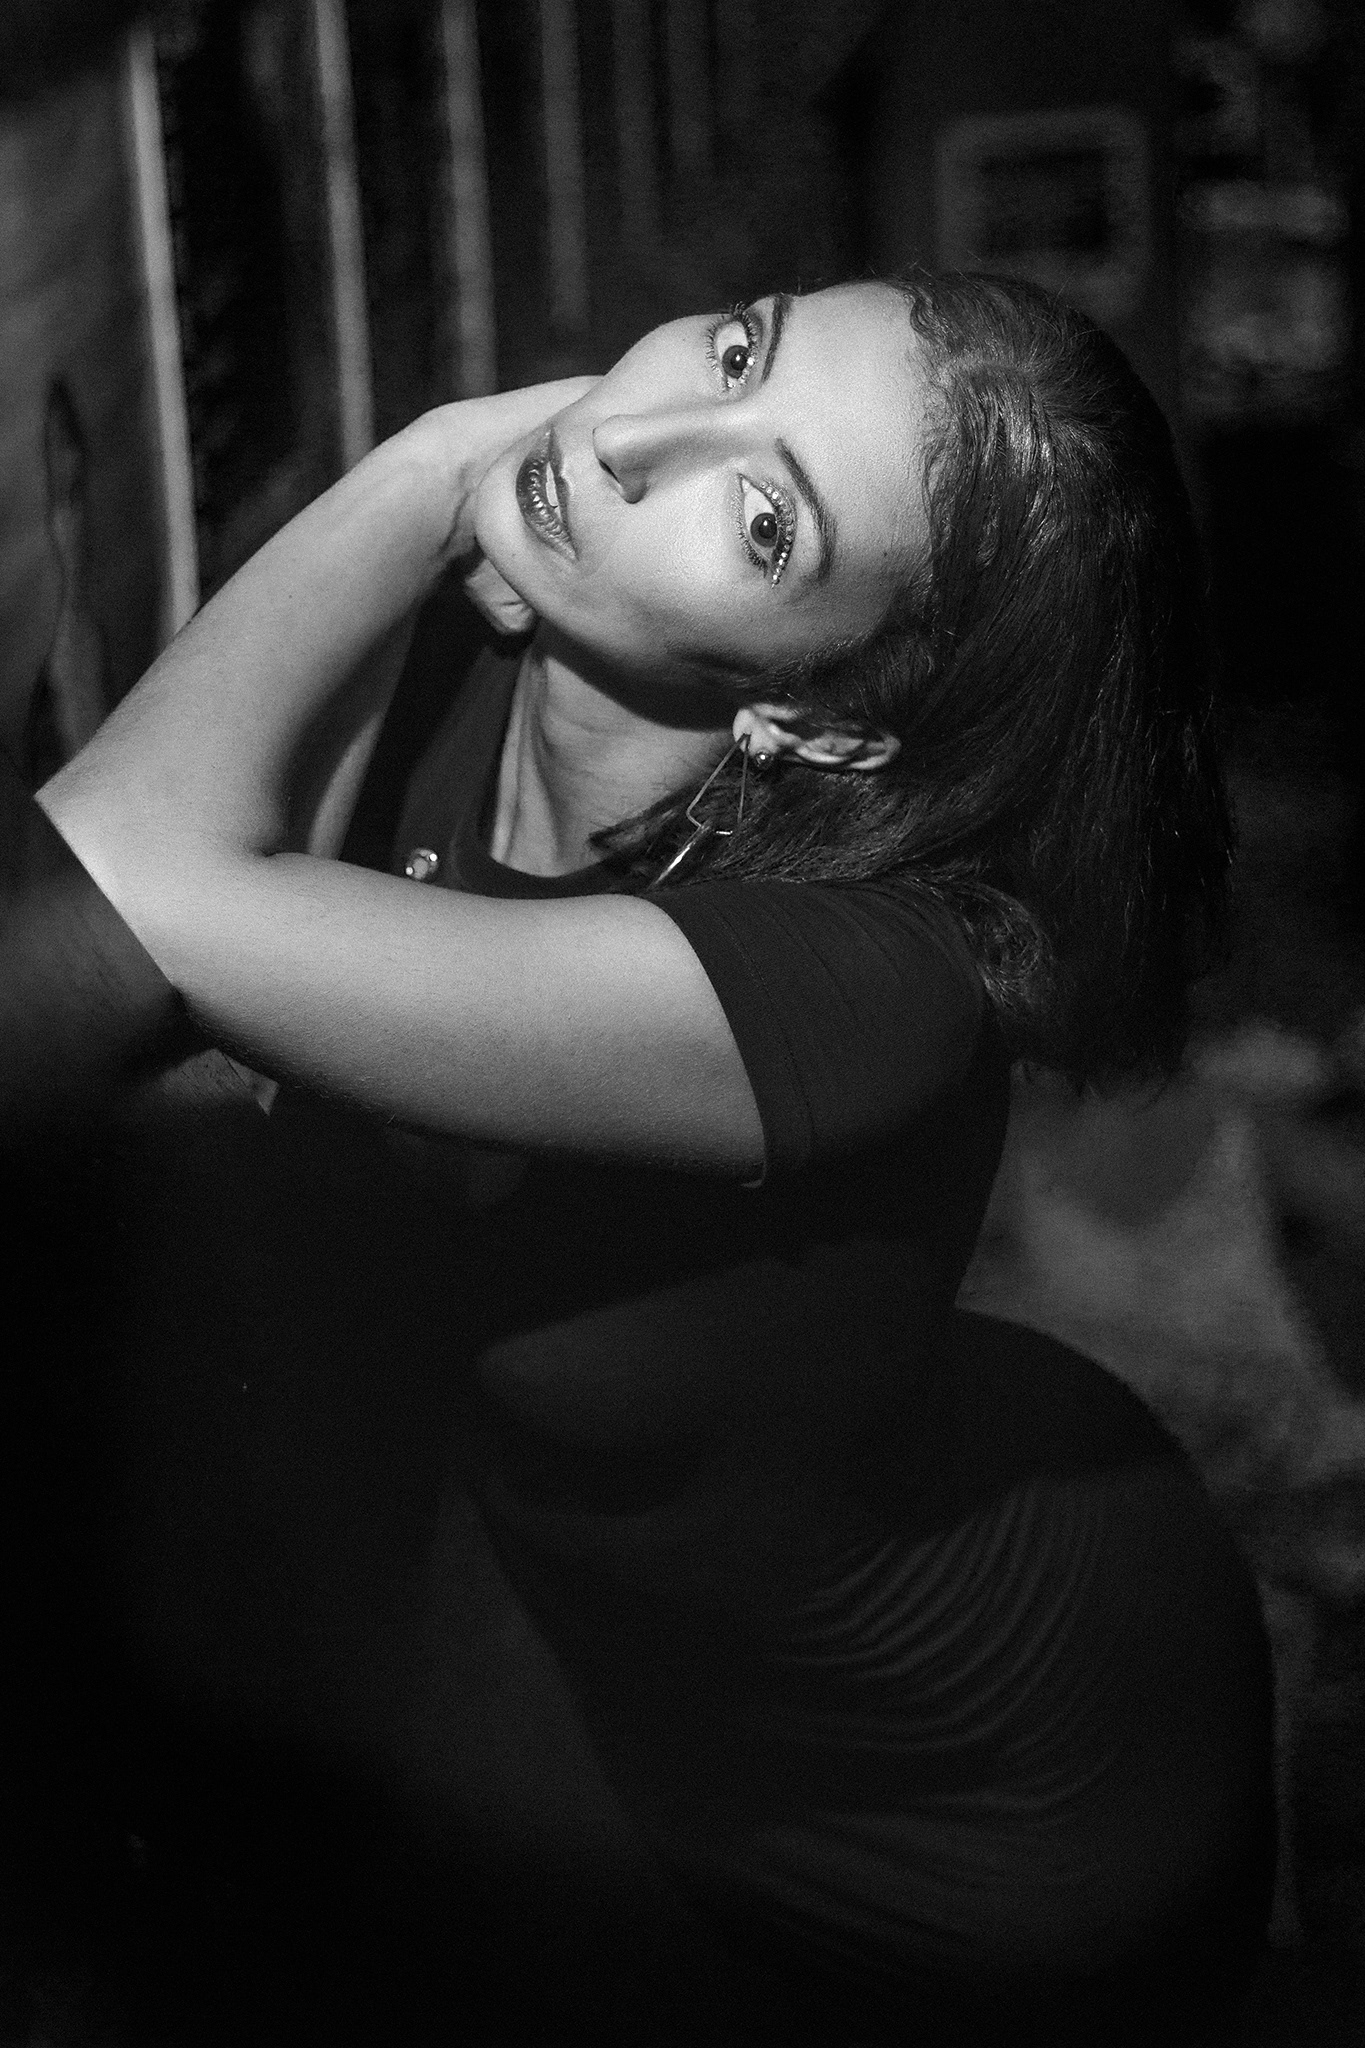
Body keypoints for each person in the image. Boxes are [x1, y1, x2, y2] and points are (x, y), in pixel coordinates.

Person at [22, 271, 1273, 2043]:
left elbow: (91, 918)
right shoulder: (476, 640)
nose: (631, 435)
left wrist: (428, 459)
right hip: (663, 1646)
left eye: (764, 521)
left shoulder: (867, 987)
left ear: (823, 725)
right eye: (739, 349)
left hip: (985, 1783)